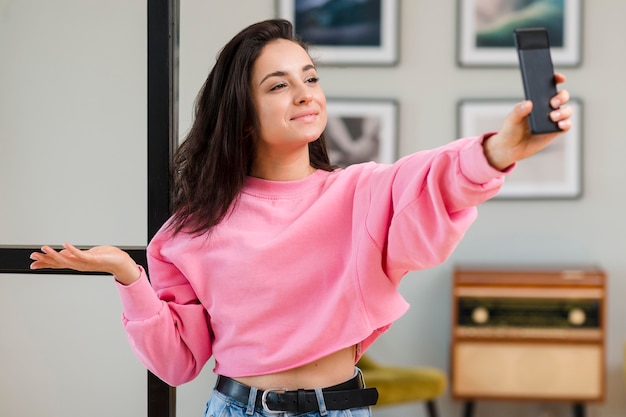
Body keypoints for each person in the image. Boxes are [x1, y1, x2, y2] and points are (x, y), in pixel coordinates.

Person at [29, 18, 572, 417]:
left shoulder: (358, 193)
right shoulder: (194, 229)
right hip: (237, 410)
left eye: (309, 78)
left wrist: (500, 150)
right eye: (278, 85)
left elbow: (436, 178)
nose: (304, 94)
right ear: (242, 115)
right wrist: (129, 276)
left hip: (340, 408)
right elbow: (177, 364)